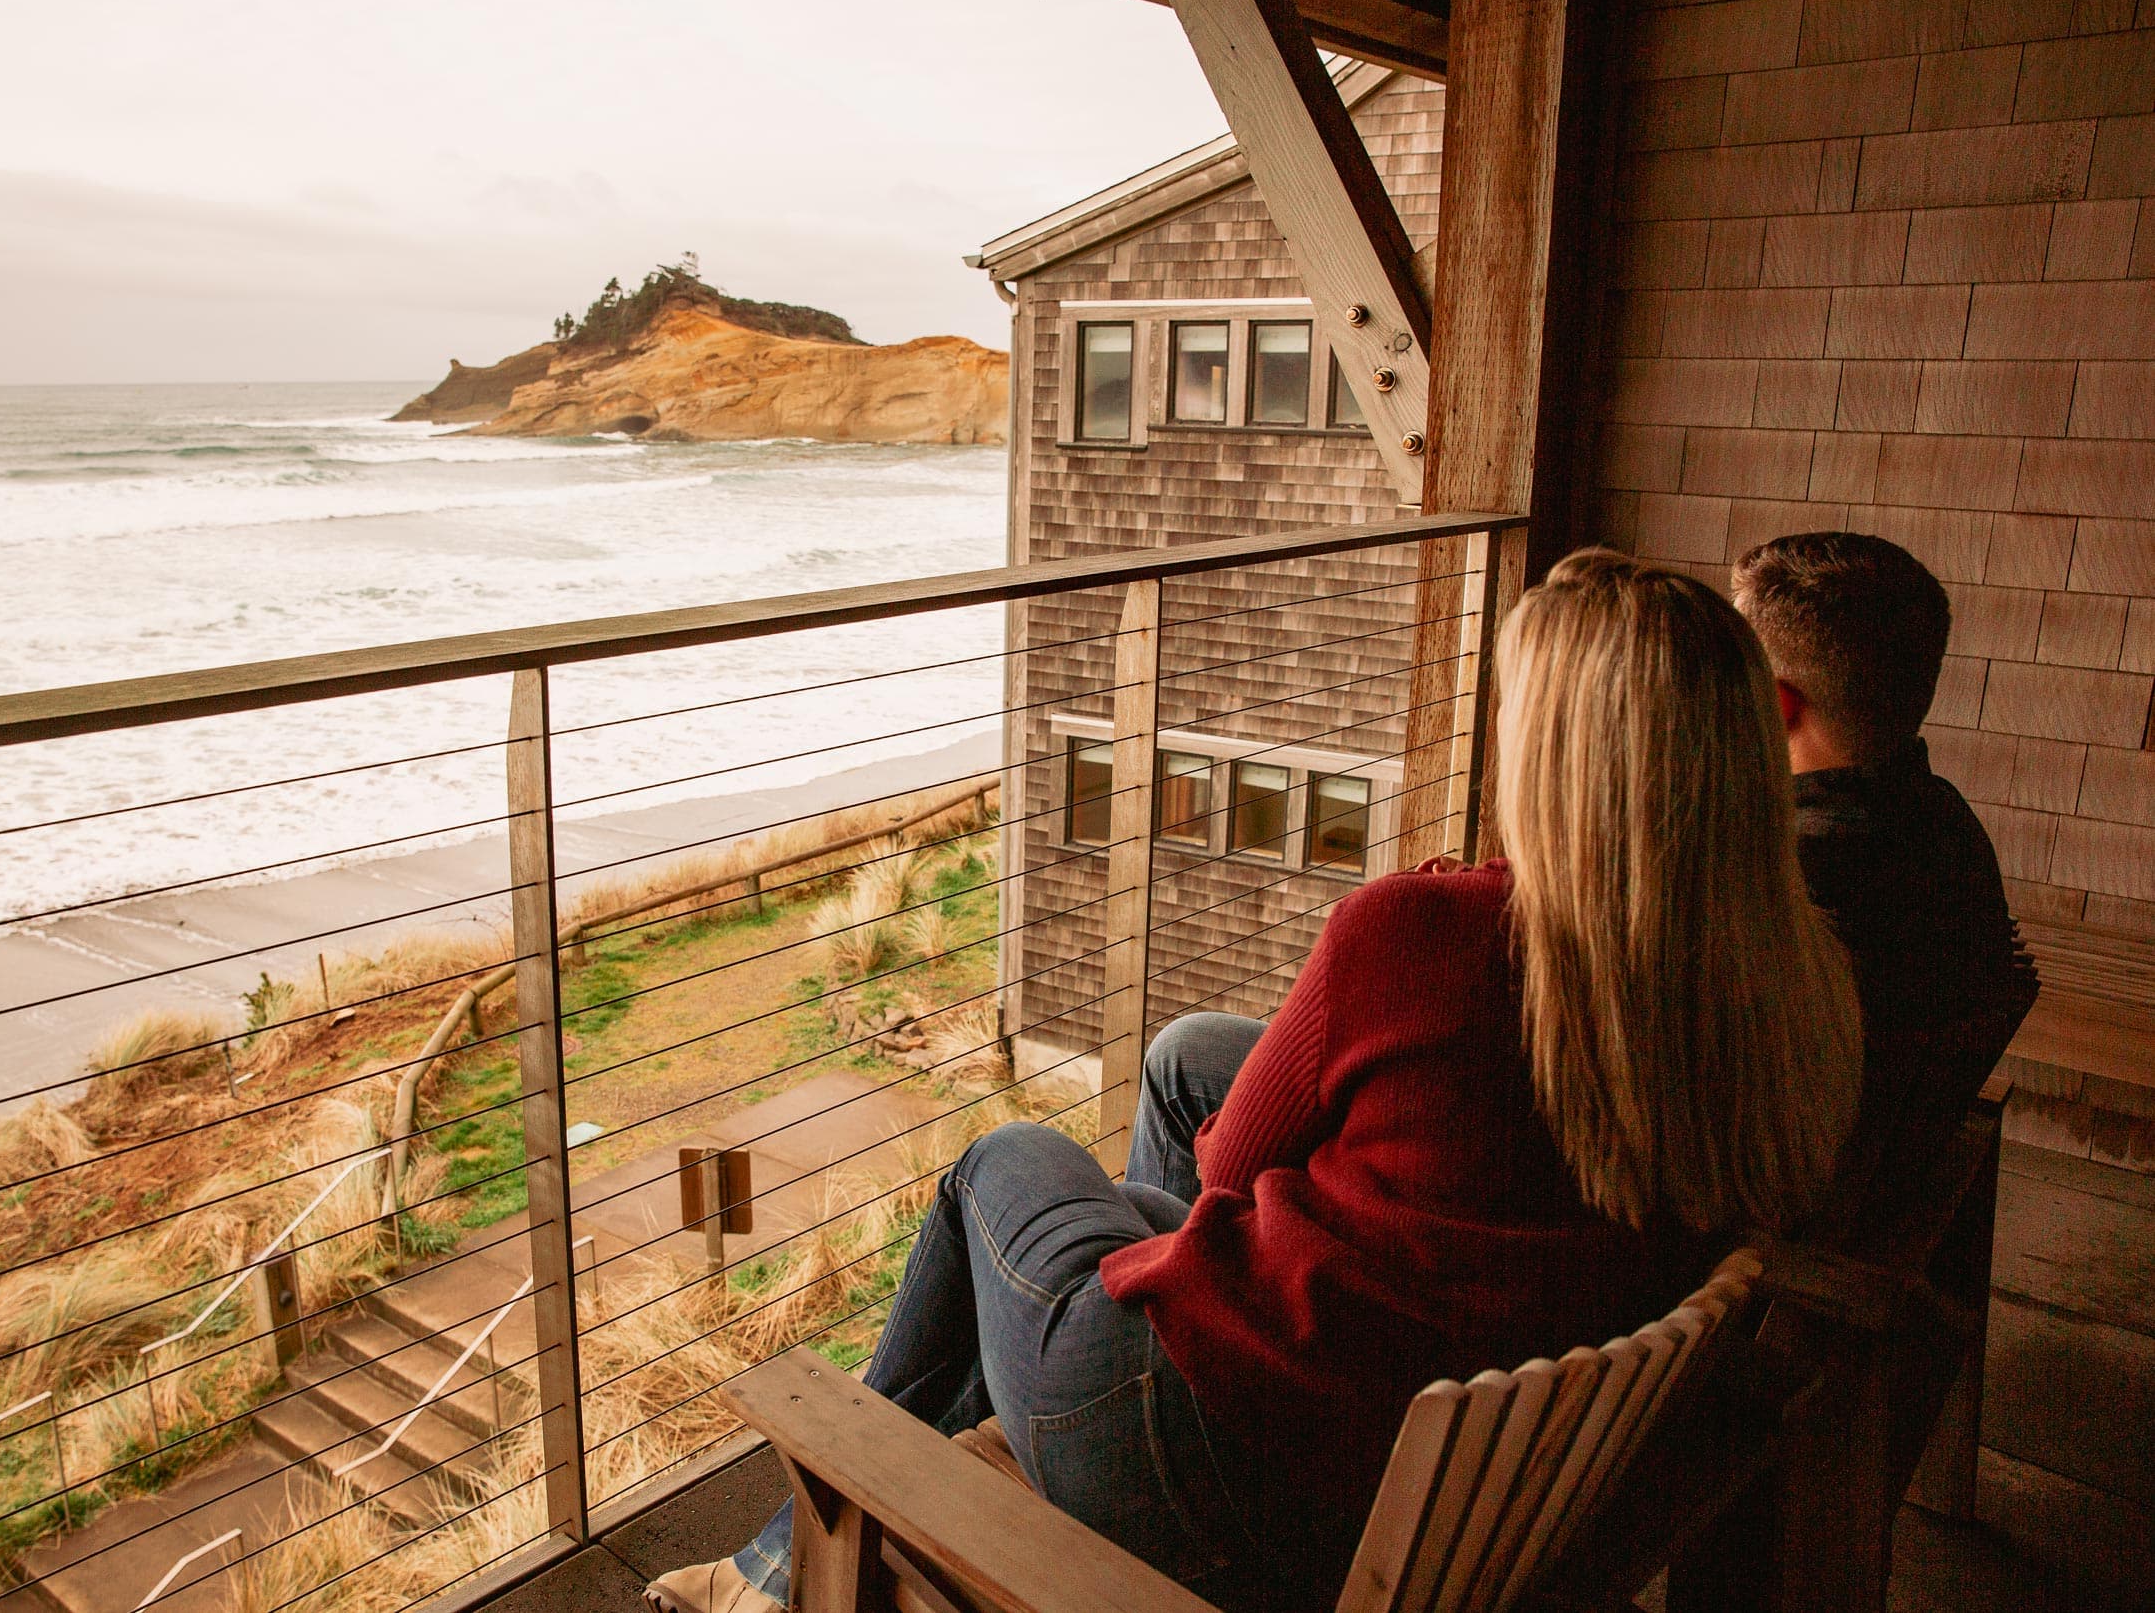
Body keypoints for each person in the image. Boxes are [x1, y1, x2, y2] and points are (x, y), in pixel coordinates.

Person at [645, 550, 1863, 1613]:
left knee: (996, 1166)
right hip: (1419, 1483)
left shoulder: (1423, 936)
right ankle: (893, 1496)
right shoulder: (1784, 977)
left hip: (1205, 1467)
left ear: (1554, 760)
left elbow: (1228, 1165)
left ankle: (786, 1561)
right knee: (1153, 1121)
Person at [1728, 533, 2028, 1213]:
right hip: (1887, 1158)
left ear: (1776, 702)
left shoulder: (1793, 877)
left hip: (1793, 1207)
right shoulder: (1942, 817)